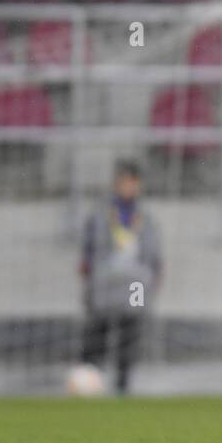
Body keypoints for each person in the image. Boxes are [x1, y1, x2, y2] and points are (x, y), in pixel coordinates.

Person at [79, 159, 163, 393]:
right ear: (116, 184)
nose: (129, 187)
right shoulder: (100, 215)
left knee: (129, 334)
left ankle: (122, 386)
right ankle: (89, 381)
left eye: (133, 182)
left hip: (134, 286)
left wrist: (153, 281)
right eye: (124, 182)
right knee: (97, 334)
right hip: (105, 284)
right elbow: (88, 252)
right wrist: (89, 281)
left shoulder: (145, 218)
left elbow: (153, 256)